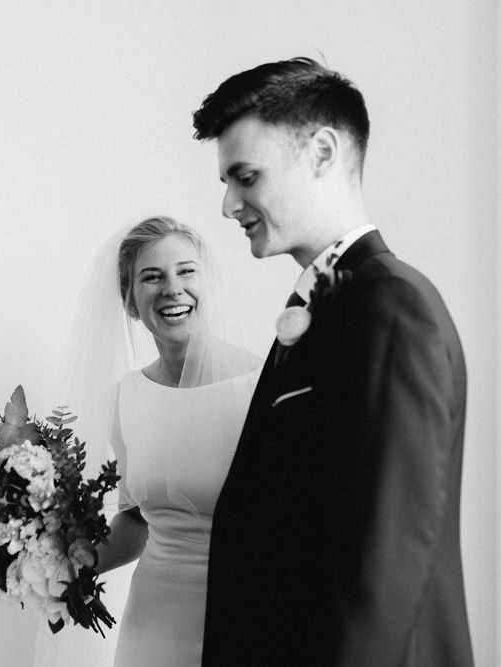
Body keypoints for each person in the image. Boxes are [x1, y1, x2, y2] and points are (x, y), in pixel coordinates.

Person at [192, 57, 473, 665]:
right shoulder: (329, 305)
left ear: (321, 152)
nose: (227, 205)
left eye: (245, 176)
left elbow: (386, 565)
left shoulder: (393, 309)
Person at [73, 216, 262, 666]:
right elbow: (136, 520)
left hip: (246, 619)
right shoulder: (125, 399)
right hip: (152, 626)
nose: (172, 288)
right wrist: (61, 566)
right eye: (152, 277)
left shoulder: (262, 385)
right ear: (131, 303)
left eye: (186, 271)